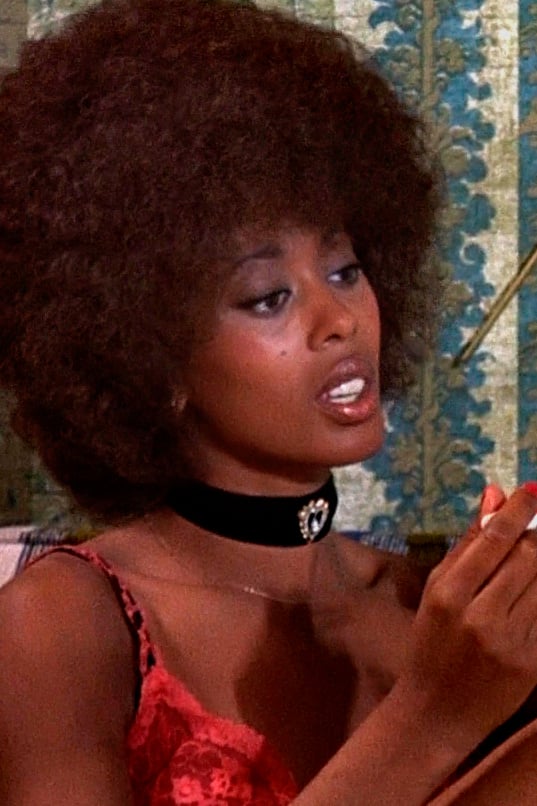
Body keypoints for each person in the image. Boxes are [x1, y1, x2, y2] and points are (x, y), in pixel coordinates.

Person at [1, 0, 537, 802]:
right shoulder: (61, 625)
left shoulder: (431, 613)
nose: (339, 320)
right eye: (266, 297)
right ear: (146, 355)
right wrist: (432, 717)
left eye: (345, 270)